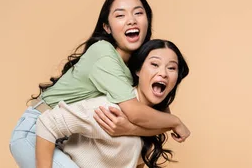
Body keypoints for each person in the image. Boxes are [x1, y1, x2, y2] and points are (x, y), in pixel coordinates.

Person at [9, 0, 190, 168]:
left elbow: (157, 117)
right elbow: (138, 114)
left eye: (138, 13)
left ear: (147, 22)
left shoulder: (134, 69)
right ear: (107, 27)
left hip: (59, 137)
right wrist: (175, 122)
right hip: (34, 131)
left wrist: (134, 128)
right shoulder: (104, 53)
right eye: (120, 15)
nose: (131, 20)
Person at [37, 39, 190, 168]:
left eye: (171, 68)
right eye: (154, 65)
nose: (163, 73)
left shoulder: (155, 124)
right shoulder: (110, 109)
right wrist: (176, 122)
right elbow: (47, 123)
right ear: (138, 70)